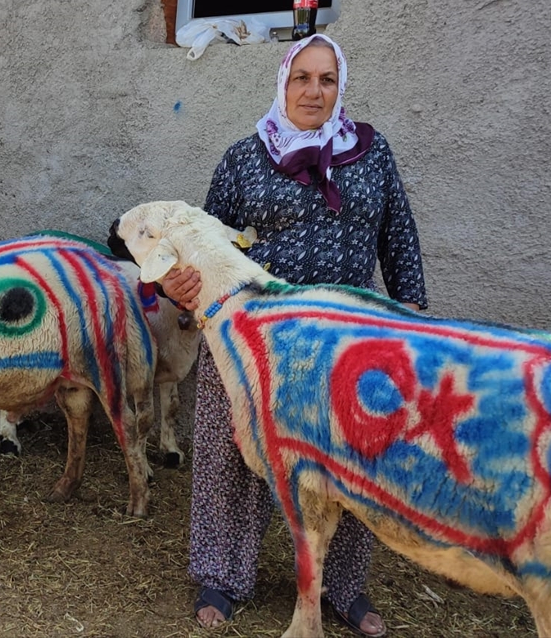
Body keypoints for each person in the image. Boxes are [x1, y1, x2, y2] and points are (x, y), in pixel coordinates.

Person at [163, 33, 427, 637]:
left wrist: (411, 314)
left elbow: (400, 238)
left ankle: (342, 585)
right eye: (301, 78)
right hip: (253, 339)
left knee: (351, 456)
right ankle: (222, 575)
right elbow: (208, 246)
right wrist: (180, 288)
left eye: (326, 79)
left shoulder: (371, 153)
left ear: (341, 87)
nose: (313, 91)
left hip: (345, 338)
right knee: (233, 450)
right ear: (283, 82)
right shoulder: (243, 157)